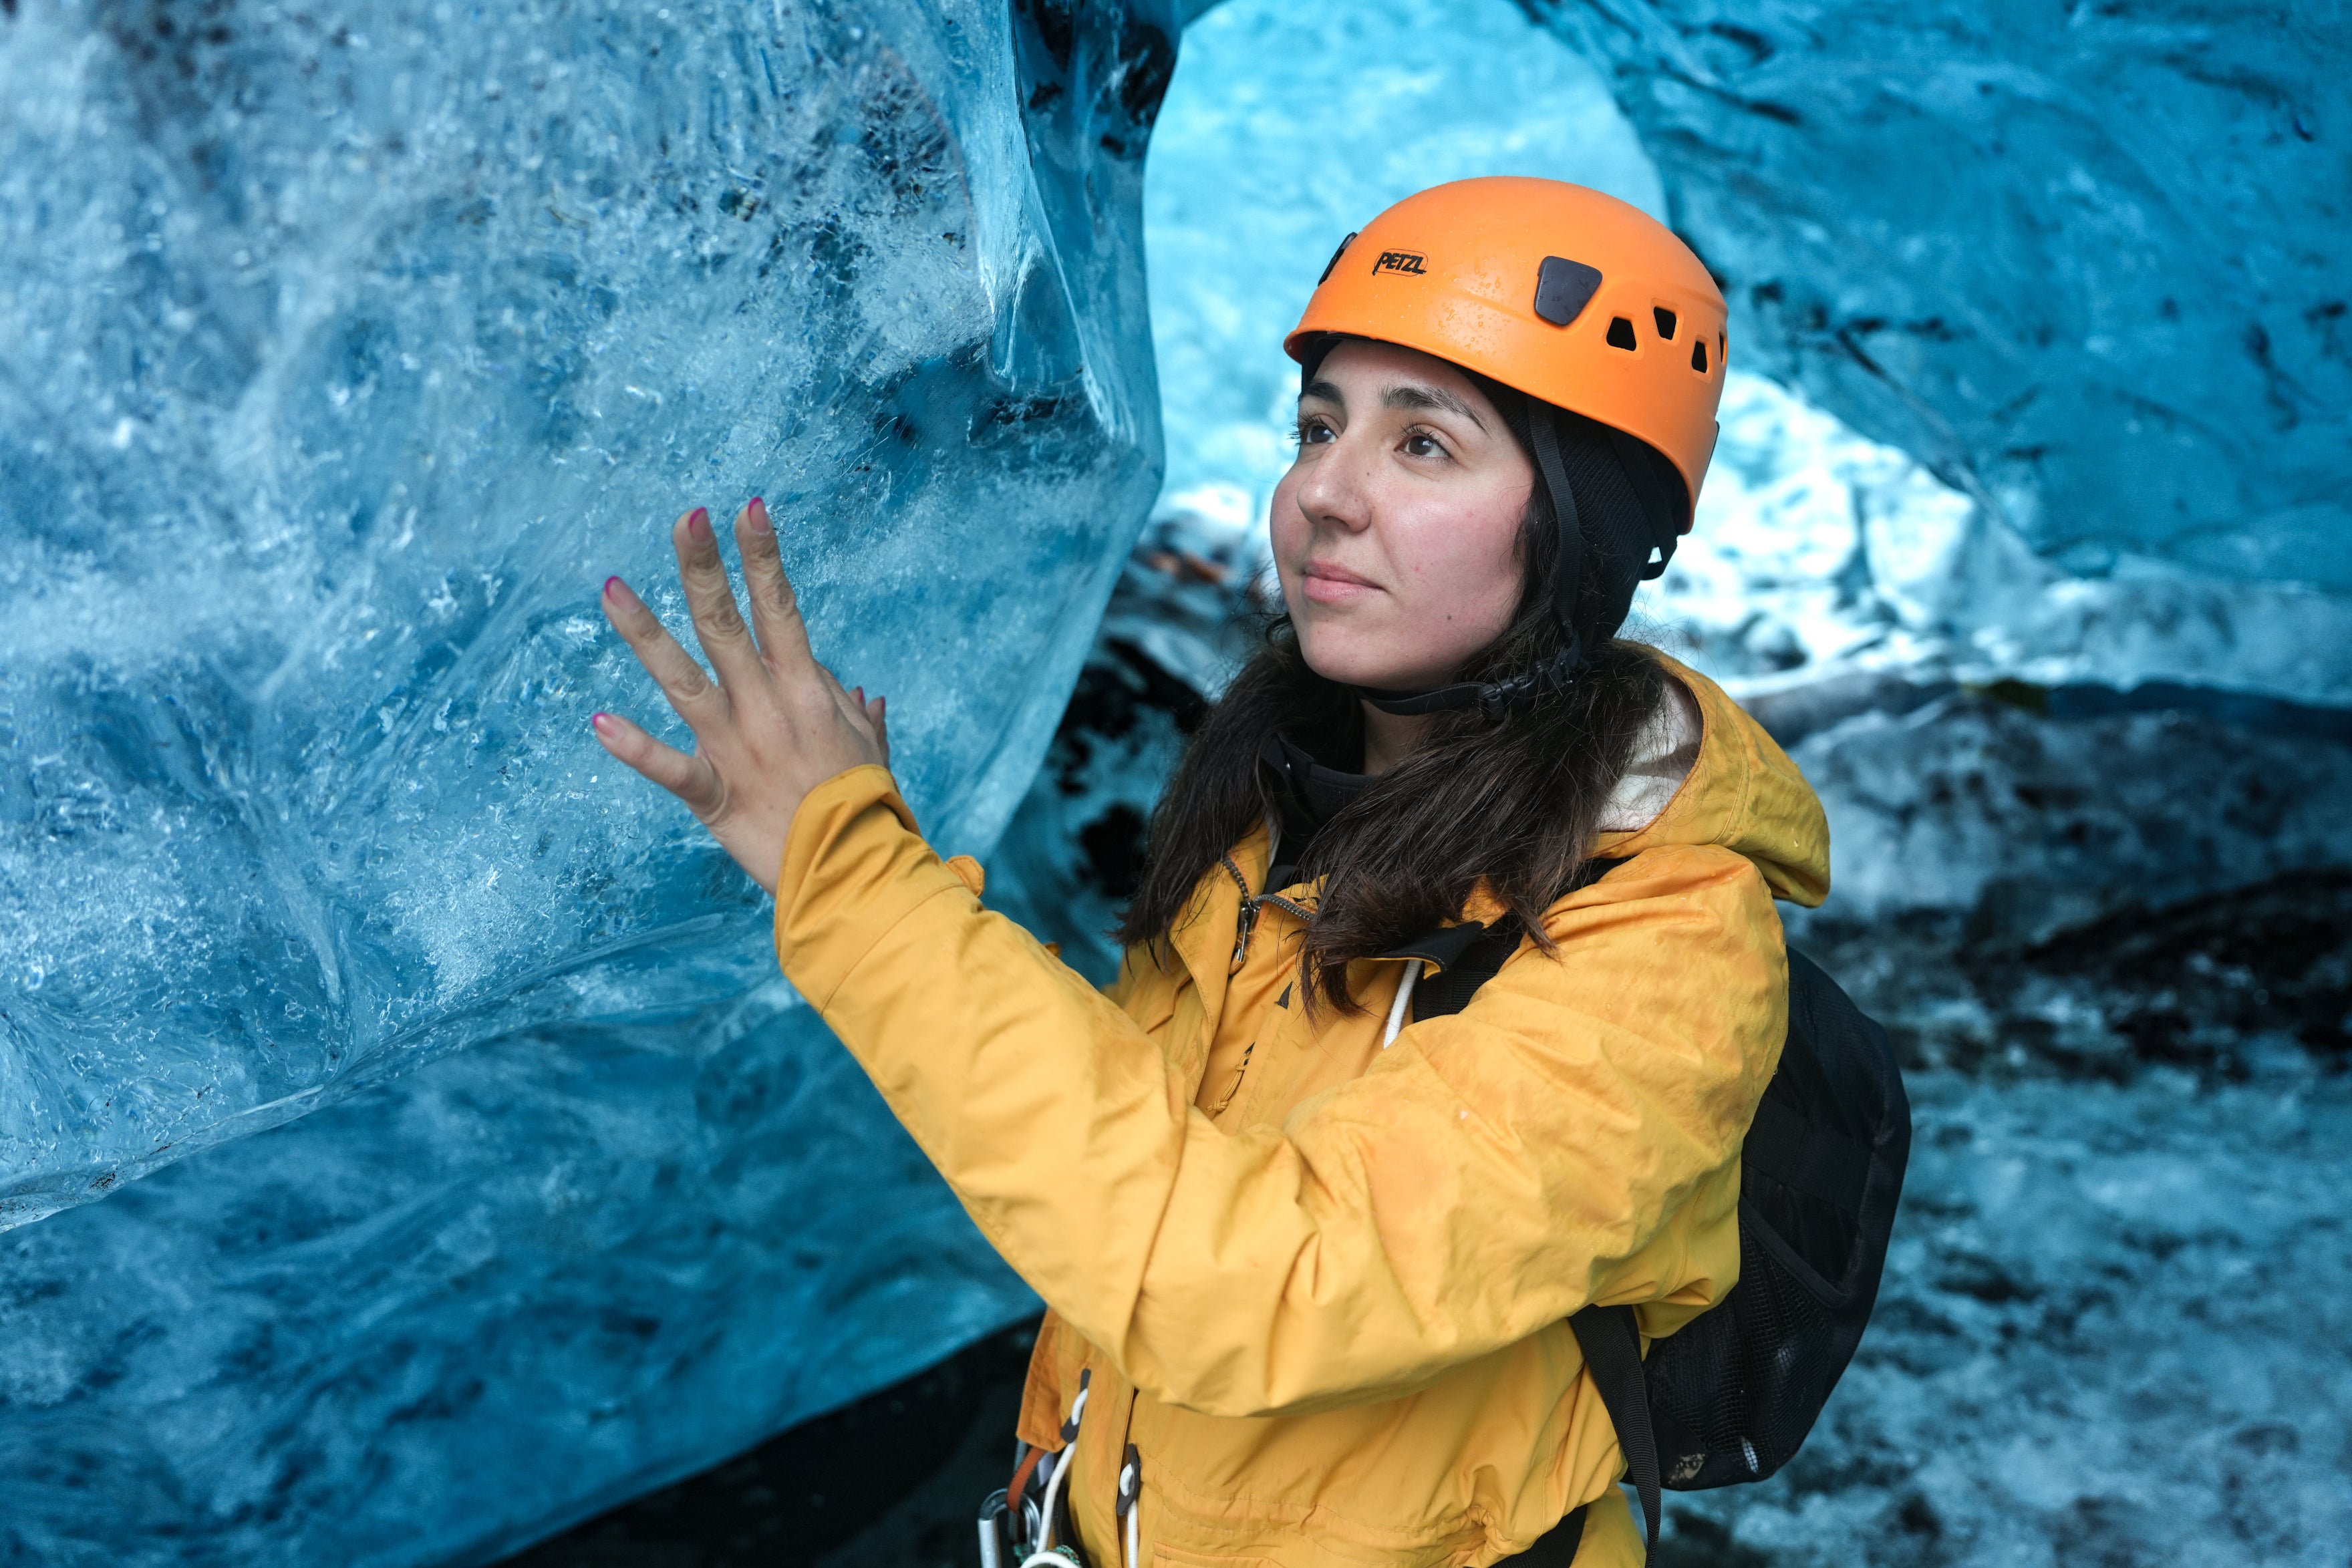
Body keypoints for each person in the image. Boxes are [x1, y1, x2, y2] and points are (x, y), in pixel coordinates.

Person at [591, 178, 1829, 1567]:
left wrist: (860, 886)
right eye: (1318, 426)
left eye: (1423, 444)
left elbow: (1259, 1283)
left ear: (1579, 528)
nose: (1320, 494)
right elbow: (1123, 1187)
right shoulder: (1274, 803)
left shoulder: (1670, 937)